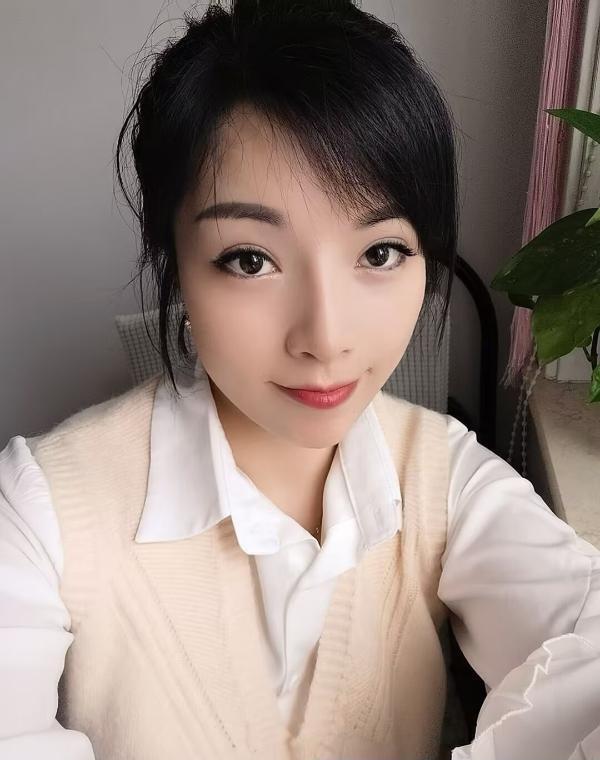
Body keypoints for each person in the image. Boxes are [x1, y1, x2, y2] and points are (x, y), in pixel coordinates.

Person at [1, 1, 599, 758]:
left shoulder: (446, 479)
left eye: (380, 253)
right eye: (250, 259)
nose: (325, 337)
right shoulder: (42, 510)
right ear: (175, 262)